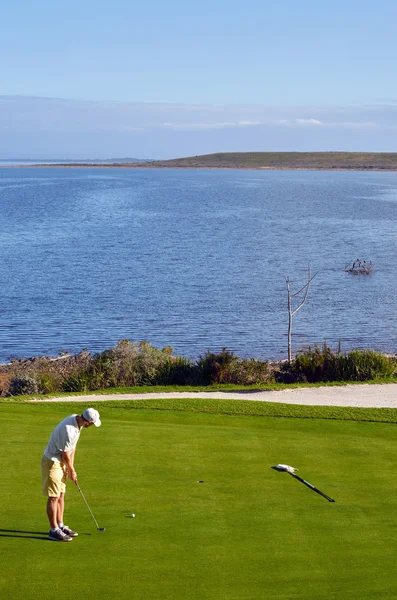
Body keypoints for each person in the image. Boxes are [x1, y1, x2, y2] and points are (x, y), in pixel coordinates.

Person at [41, 408, 101, 542]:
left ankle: (61, 525)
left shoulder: (77, 422)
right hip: (52, 461)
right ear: (88, 422)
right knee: (54, 497)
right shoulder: (69, 430)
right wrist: (72, 470)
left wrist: (70, 469)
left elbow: (72, 449)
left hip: (61, 462)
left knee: (61, 494)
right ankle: (53, 530)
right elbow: (65, 455)